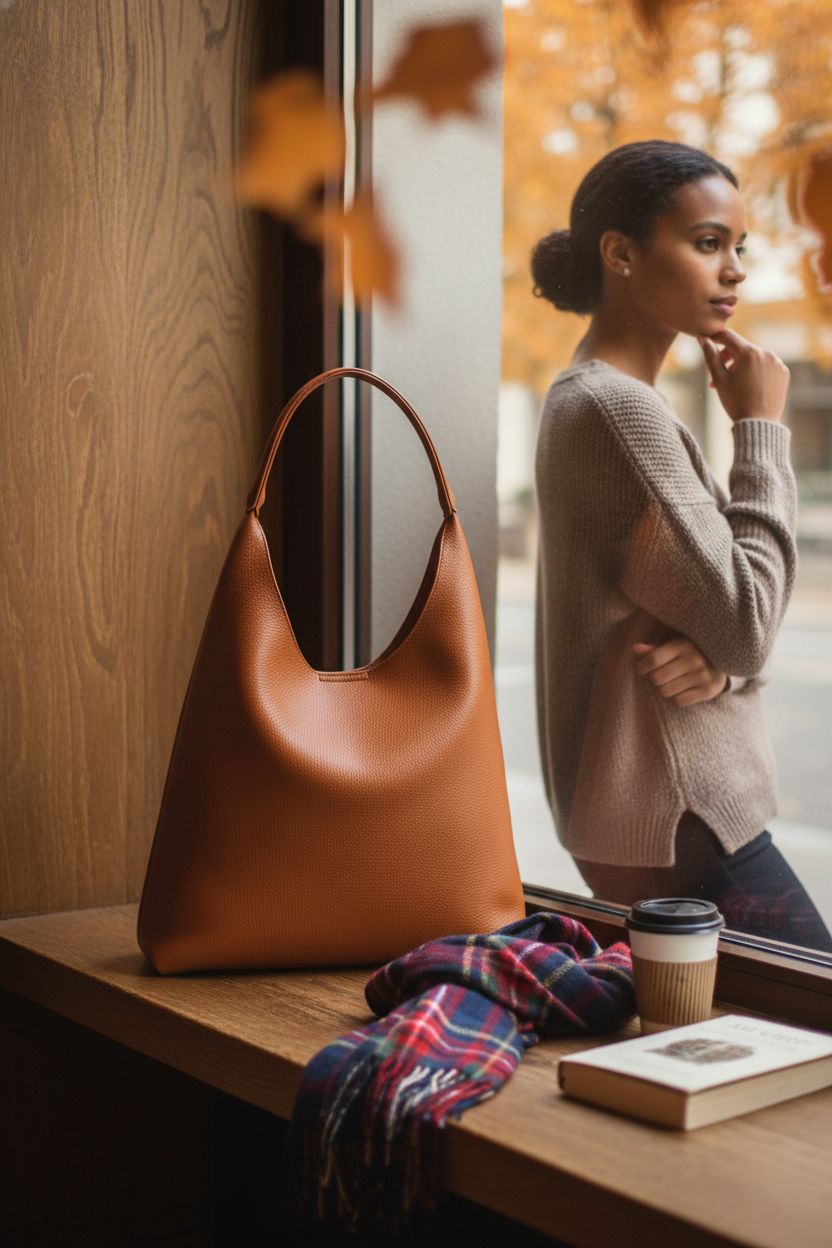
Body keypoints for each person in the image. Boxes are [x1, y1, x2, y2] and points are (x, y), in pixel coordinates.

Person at [530, 138, 832, 953]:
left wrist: (727, 665)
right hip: (683, 817)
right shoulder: (617, 411)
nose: (735, 270)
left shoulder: (603, 400)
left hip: (672, 814)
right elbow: (746, 619)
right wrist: (761, 429)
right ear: (621, 253)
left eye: (740, 248)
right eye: (707, 243)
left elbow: (726, 625)